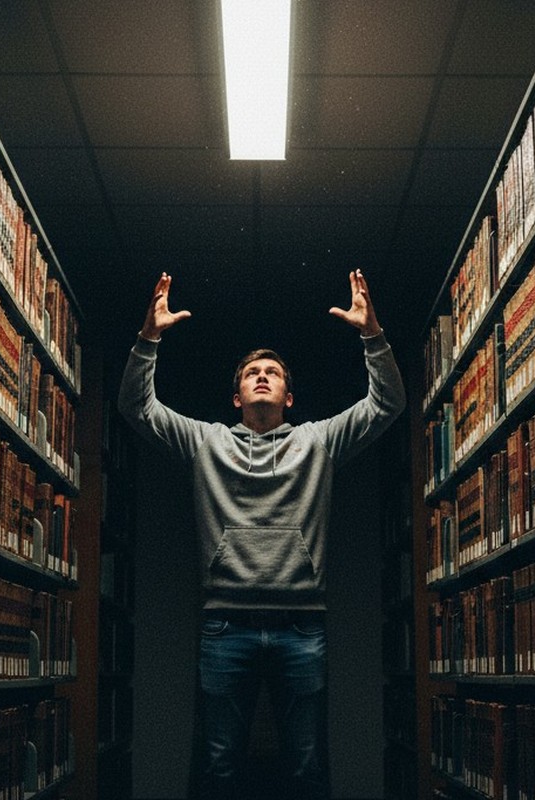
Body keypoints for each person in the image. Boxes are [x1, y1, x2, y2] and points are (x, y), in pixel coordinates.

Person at [117, 269, 406, 799]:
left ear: (290, 398)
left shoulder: (317, 442)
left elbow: (386, 406)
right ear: (236, 397)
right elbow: (137, 408)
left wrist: (373, 335)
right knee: (219, 766)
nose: (264, 377)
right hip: (226, 626)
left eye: (273, 372)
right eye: (253, 372)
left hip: (303, 626)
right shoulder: (207, 443)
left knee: (307, 765)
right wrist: (148, 339)